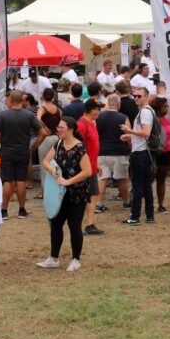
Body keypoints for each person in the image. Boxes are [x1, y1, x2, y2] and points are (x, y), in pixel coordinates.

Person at [38, 117, 92, 272]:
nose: (58, 130)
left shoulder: (80, 148)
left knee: (74, 226)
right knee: (55, 224)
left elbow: (87, 171)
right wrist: (52, 170)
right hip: (59, 193)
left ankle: (76, 259)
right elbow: (46, 161)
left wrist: (68, 182)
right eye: (58, 127)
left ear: (70, 129)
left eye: (61, 127)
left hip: (76, 193)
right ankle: (53, 258)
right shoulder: (59, 144)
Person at [0, 90, 46, 220]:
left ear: (10, 100)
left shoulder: (3, 115)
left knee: (7, 181)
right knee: (21, 181)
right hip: (23, 151)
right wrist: (33, 147)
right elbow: (43, 133)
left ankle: (4, 211)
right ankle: (22, 210)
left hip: (7, 151)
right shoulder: (28, 115)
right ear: (22, 101)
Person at [120, 87, 156, 225]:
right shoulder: (146, 111)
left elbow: (146, 132)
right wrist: (130, 135)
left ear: (146, 97)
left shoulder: (145, 112)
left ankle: (135, 216)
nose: (136, 98)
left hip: (140, 152)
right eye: (135, 96)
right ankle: (149, 215)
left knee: (138, 185)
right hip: (144, 152)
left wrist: (130, 131)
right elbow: (144, 133)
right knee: (146, 185)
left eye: (139, 96)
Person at [95, 94, 130, 211]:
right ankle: (126, 202)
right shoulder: (123, 117)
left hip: (102, 152)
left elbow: (95, 135)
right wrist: (130, 148)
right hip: (119, 152)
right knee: (122, 178)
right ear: (118, 104)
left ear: (107, 103)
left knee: (102, 179)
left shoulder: (99, 116)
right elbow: (128, 136)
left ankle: (99, 204)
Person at [77, 99, 104, 235]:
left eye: (99, 109)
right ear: (89, 109)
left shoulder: (92, 123)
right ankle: (87, 224)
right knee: (88, 196)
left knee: (93, 195)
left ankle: (90, 224)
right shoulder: (82, 124)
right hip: (84, 168)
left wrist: (96, 163)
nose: (99, 111)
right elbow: (75, 145)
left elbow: (92, 146)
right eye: (97, 108)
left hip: (91, 166)